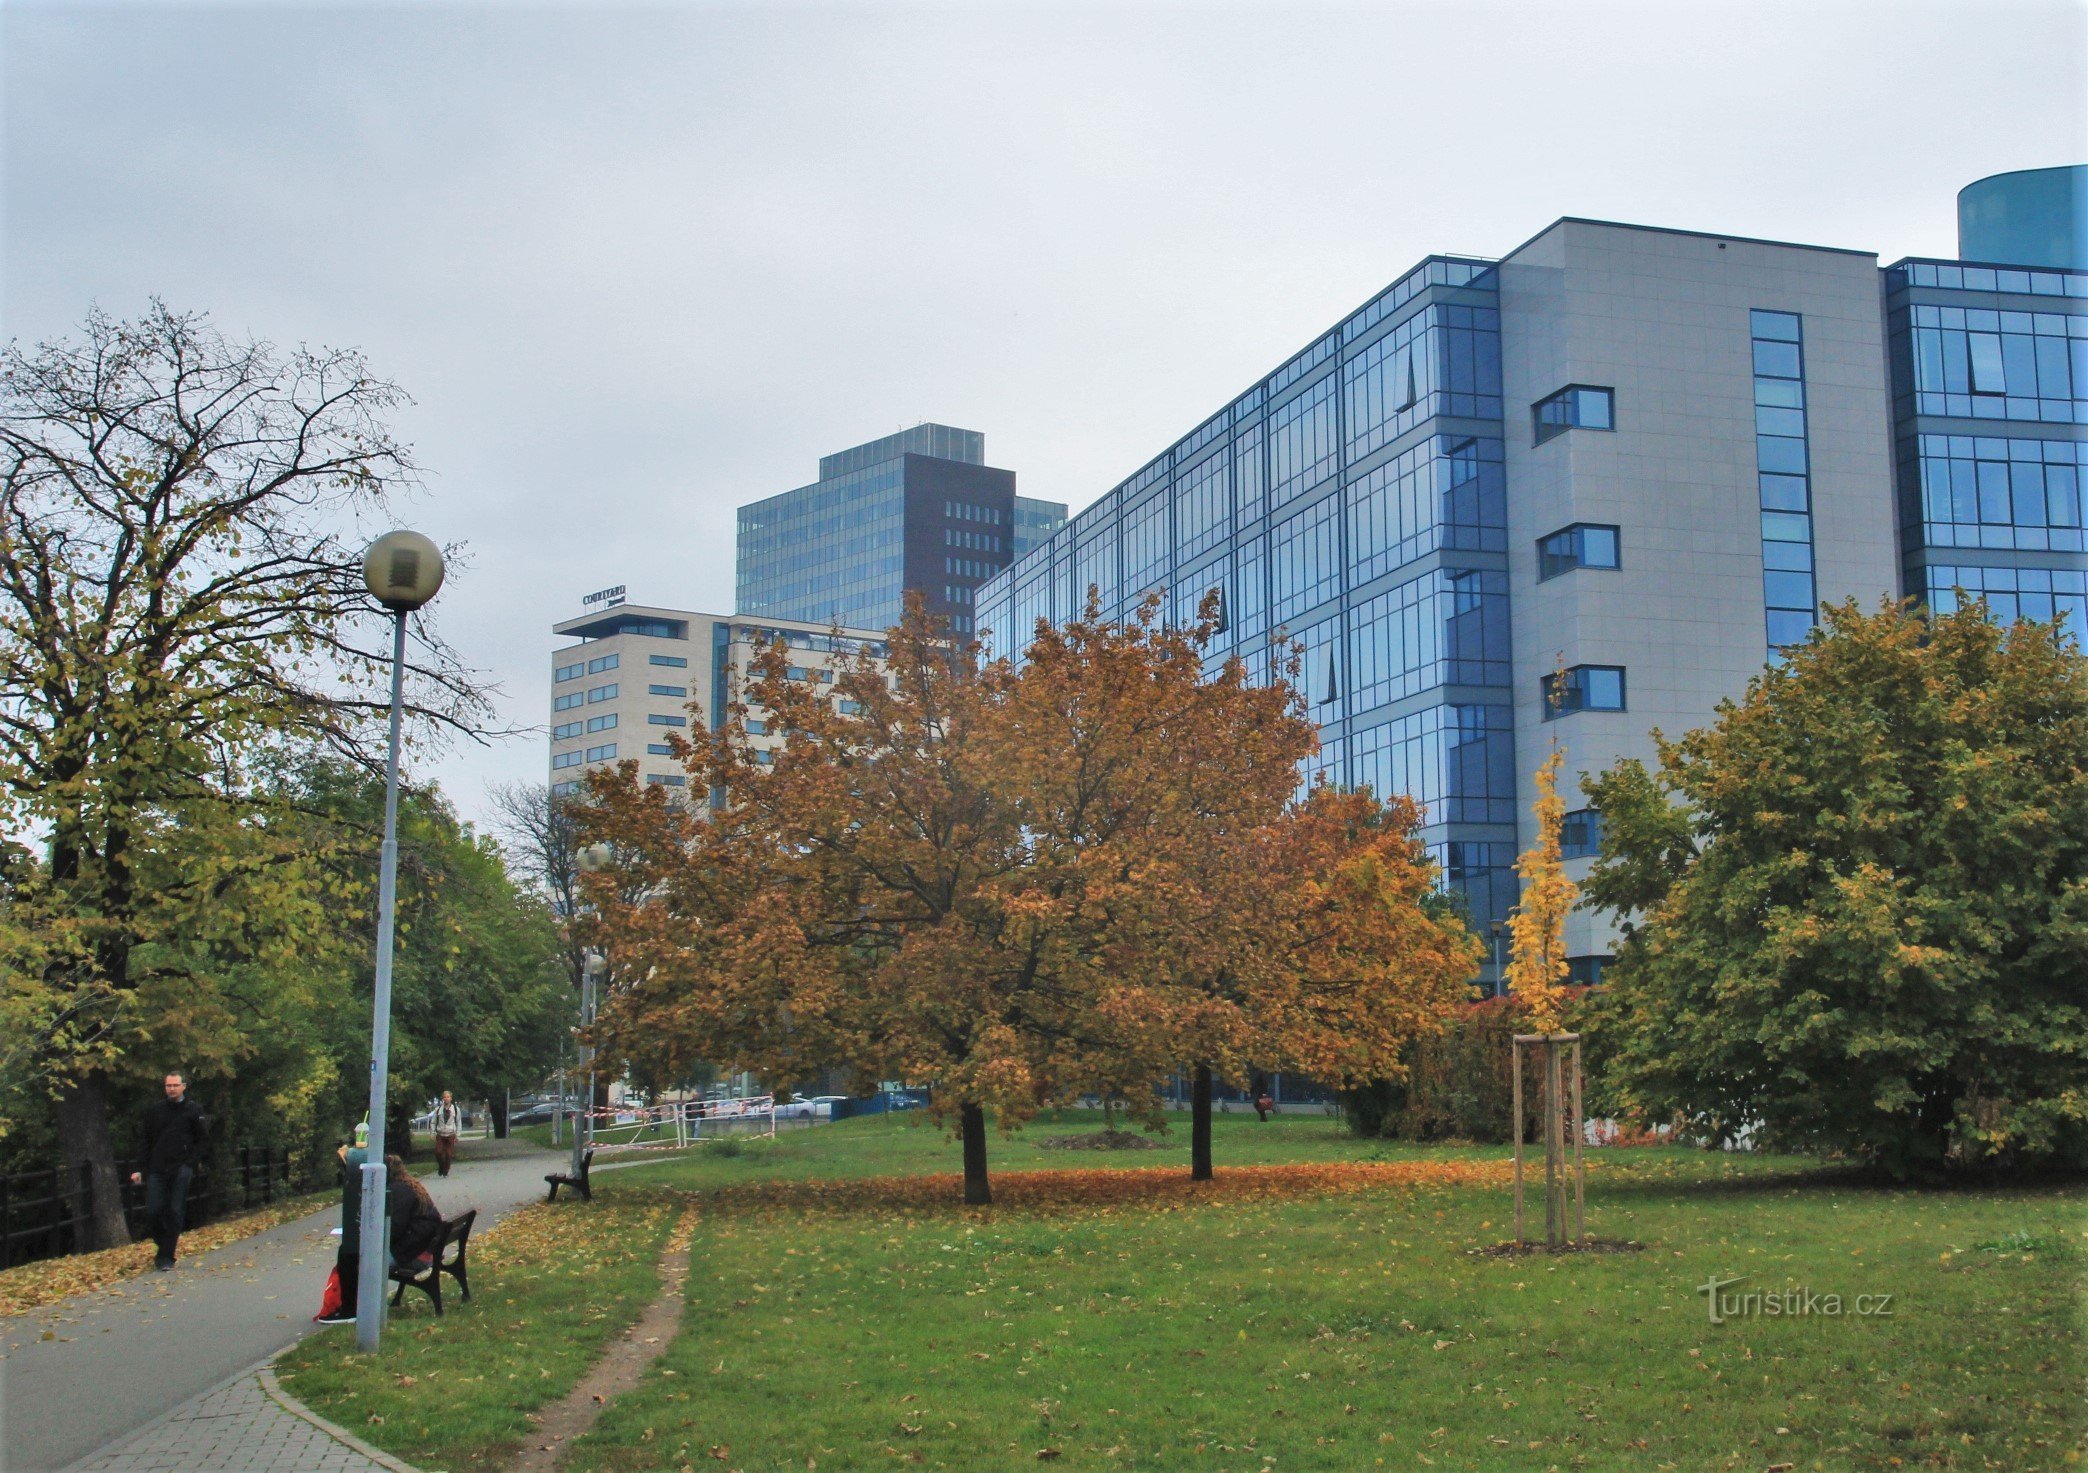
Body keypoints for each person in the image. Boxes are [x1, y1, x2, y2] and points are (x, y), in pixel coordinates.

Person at [129, 1071, 207, 1271]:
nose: (171, 1089)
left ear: (183, 1086)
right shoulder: (156, 1110)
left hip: (181, 1168)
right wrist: (139, 1168)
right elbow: (145, 1140)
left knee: (175, 1209)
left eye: (175, 1085)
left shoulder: (193, 1110)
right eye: (168, 1086)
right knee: (153, 1210)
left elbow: (203, 1140)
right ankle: (163, 1242)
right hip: (157, 1168)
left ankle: (166, 1257)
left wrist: (189, 1163)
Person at [315, 1126, 389, 1326]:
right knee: (348, 1253)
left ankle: (350, 1308)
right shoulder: (396, 1185)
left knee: (348, 1255)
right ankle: (352, 1305)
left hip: (397, 1248)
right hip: (405, 1241)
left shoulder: (362, 1162)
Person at [386, 1153, 445, 1269]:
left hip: (412, 1253)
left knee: (364, 1266)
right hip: (422, 1247)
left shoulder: (398, 1190)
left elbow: (395, 1228)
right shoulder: (409, 1184)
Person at [431, 1091, 464, 1177]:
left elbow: (458, 1122)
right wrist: (432, 1133)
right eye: (445, 1097)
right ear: (442, 1099)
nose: (446, 1098)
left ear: (451, 1098)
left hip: (451, 1134)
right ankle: (441, 1166)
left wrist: (458, 1134)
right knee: (438, 1152)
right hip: (440, 1134)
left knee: (449, 1154)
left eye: (448, 1097)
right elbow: (433, 1122)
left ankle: (446, 1170)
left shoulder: (456, 1109)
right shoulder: (438, 1109)